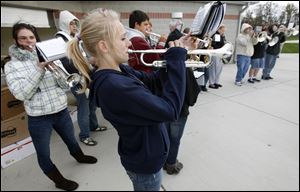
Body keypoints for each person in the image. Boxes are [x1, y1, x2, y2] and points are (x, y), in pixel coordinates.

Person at [67, 8, 198, 191]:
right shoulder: (114, 86)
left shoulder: (120, 70)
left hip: (146, 155)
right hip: (145, 164)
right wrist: (177, 60)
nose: (129, 42)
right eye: (122, 38)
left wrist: (173, 53)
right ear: (104, 46)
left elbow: (152, 81)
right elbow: (170, 110)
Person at [4, 22, 97, 191]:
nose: (28, 41)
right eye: (23, 38)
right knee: (43, 153)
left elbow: (64, 85)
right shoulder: (12, 66)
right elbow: (21, 94)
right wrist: (39, 69)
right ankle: (58, 180)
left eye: (31, 37)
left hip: (61, 111)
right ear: (16, 41)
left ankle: (79, 156)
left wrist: (56, 69)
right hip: (39, 118)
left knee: (71, 139)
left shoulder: (48, 56)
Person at [55, 10, 107, 146]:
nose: (74, 26)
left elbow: (82, 55)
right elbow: (66, 62)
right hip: (77, 78)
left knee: (91, 104)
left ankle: (93, 126)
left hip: (85, 75)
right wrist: (85, 67)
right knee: (83, 107)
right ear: (65, 24)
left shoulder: (73, 38)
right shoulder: (60, 40)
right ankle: (84, 135)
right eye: (71, 24)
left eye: (75, 23)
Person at [163, 24, 200, 175]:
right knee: (175, 139)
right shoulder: (184, 69)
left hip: (164, 109)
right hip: (181, 110)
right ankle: (171, 164)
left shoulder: (161, 66)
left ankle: (164, 160)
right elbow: (193, 95)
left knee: (165, 137)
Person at [208, 24, 226, 89]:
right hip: (216, 54)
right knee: (214, 69)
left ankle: (216, 82)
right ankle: (211, 83)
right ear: (219, 29)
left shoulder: (221, 36)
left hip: (220, 54)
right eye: (223, 30)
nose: (224, 31)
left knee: (219, 69)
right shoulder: (217, 35)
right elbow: (215, 45)